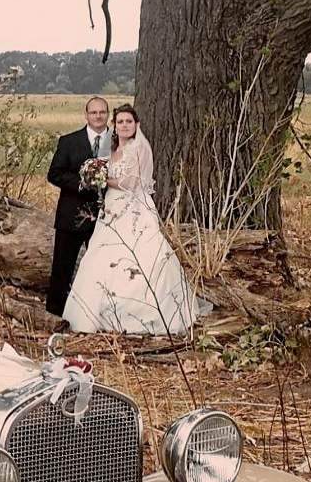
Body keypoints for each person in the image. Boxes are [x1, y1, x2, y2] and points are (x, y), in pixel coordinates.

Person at [62, 105, 201, 335]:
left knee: (139, 255)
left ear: (137, 125)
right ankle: (98, 312)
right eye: (120, 122)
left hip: (133, 209)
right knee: (103, 255)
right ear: (114, 126)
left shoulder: (139, 148)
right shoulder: (115, 147)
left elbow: (131, 183)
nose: (124, 125)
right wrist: (96, 173)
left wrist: (103, 178)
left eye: (129, 121)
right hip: (111, 208)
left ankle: (140, 316)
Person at [44, 97, 112, 316]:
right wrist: (82, 184)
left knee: (104, 268)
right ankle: (55, 313)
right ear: (86, 115)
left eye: (102, 112)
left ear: (108, 114)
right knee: (63, 267)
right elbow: (54, 174)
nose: (98, 116)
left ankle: (98, 312)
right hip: (71, 215)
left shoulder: (119, 141)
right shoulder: (69, 141)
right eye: (94, 112)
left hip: (107, 216)